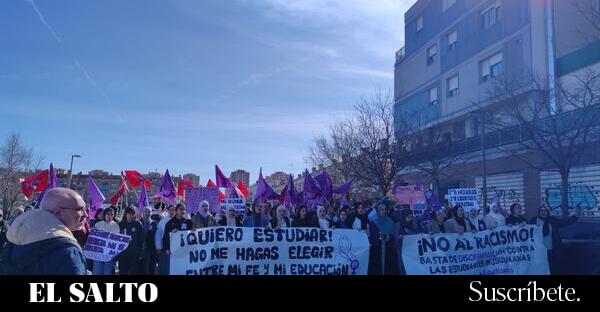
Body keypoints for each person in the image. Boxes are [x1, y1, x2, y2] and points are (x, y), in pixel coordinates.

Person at [3, 188, 87, 275]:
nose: (86, 214)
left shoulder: (17, 235)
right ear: (58, 212)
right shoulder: (69, 252)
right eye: (80, 209)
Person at [529, 206, 580, 274]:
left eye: (545, 211)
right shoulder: (533, 220)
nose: (543, 212)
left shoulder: (552, 220)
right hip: (539, 251)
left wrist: (575, 216)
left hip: (552, 249)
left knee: (553, 268)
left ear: (548, 212)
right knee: (541, 268)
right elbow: (526, 230)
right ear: (539, 212)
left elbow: (565, 222)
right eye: (541, 210)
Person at [368, 204, 397, 275]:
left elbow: (393, 234)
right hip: (377, 250)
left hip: (387, 249)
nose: (384, 211)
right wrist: (380, 237)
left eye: (385, 210)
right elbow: (372, 236)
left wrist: (389, 236)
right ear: (378, 211)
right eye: (382, 209)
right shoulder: (373, 222)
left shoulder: (390, 221)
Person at [93, 206, 120, 275]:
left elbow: (117, 240)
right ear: (105, 215)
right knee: (97, 271)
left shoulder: (116, 225)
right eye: (108, 214)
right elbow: (93, 238)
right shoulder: (98, 224)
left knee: (107, 272)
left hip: (109, 254)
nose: (110, 216)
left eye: (112, 214)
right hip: (98, 253)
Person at [394, 208, 422, 274]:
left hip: (412, 252)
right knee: (403, 268)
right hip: (402, 252)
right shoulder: (398, 226)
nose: (409, 219)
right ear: (403, 216)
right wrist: (399, 237)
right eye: (408, 217)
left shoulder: (414, 225)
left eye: (411, 217)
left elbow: (418, 236)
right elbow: (395, 240)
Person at [118, 207, 144, 275]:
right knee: (123, 272)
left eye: (133, 214)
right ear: (125, 214)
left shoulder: (138, 224)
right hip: (123, 253)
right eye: (129, 214)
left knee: (134, 271)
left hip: (134, 253)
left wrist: (140, 253)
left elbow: (141, 240)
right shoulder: (121, 224)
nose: (131, 215)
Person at [155, 205, 175, 275]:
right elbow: (158, 235)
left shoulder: (178, 220)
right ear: (168, 211)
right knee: (165, 265)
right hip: (165, 246)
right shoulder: (163, 221)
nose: (172, 212)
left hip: (176, 247)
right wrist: (158, 247)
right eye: (170, 210)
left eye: (173, 210)